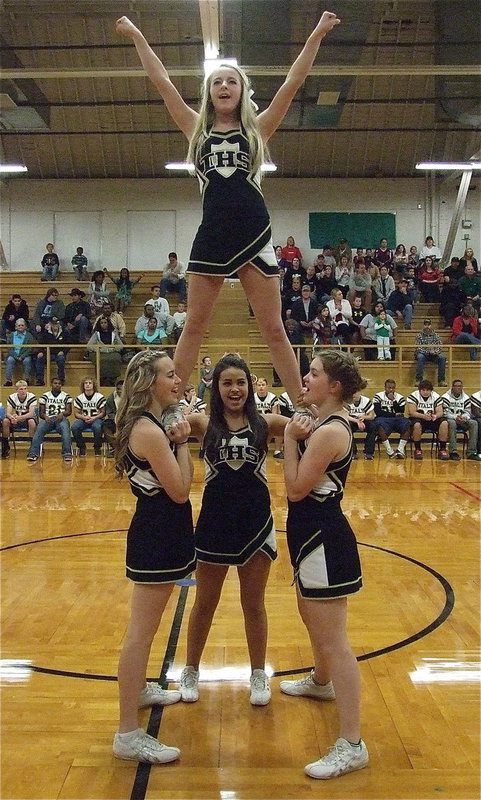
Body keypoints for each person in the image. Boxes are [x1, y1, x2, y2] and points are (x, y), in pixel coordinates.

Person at [115, 10, 341, 406]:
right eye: (217, 81)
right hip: (212, 233)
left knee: (273, 329)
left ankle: (303, 406)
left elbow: (294, 81)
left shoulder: (258, 130)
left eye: (231, 81)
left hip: (255, 232)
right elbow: (162, 81)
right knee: (195, 327)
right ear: (208, 92)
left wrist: (318, 33)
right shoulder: (194, 129)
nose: (224, 85)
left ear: (241, 91)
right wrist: (136, 34)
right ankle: (172, 407)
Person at [178, 354, 288, 706]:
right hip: (214, 521)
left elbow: (308, 426)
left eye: (240, 382)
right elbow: (164, 421)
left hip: (256, 520)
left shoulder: (265, 422)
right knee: (204, 604)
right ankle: (191, 669)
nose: (234, 389)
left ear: (251, 386)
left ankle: (258, 674)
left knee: (253, 604)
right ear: (215, 387)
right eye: (227, 382)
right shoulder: (202, 422)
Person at [280, 350, 368, 780]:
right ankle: (320, 681)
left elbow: (296, 489)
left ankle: (352, 744)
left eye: (313, 373)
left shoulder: (330, 433)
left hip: (323, 539)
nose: (305, 377)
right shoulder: (325, 423)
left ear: (334, 386)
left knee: (335, 640)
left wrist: (286, 441)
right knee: (309, 617)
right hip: (310, 536)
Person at [112, 349, 195, 763]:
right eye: (169, 375)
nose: (176, 380)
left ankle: (141, 690)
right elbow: (181, 490)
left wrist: (177, 441)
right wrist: (181, 444)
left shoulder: (149, 425)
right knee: (140, 632)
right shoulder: (148, 430)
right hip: (156, 535)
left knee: (147, 627)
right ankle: (127, 733)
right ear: (149, 382)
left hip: (163, 531)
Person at [27, 377, 73, 462]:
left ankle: (67, 453)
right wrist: (45, 417)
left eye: (59, 384)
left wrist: (63, 414)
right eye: (55, 383)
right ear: (52, 384)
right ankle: (33, 453)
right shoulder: (45, 396)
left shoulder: (66, 396)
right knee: (39, 429)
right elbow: (41, 413)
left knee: (66, 430)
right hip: (48, 419)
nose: (57, 385)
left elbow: (69, 411)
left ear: (61, 385)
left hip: (61, 419)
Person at [407, 380, 449, 460]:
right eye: (423, 390)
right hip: (419, 418)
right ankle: (418, 449)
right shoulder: (413, 396)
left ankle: (443, 449)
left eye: (428, 390)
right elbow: (411, 412)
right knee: (416, 424)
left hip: (431, 419)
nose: (425, 392)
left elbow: (440, 412)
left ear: (431, 390)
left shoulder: (436, 396)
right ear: (419, 390)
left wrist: (435, 416)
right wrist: (423, 416)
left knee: (444, 422)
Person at [441, 379, 480, 461]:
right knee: (452, 423)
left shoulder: (466, 398)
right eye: (456, 386)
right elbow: (444, 413)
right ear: (452, 387)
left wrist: (465, 417)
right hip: (450, 419)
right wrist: (455, 417)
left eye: (460, 386)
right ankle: (453, 452)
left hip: (462, 420)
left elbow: (468, 411)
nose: (459, 388)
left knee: (474, 423)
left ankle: (471, 452)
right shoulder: (445, 397)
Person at [373, 379, 411, 459]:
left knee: (408, 423)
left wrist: (393, 400)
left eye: (393, 388)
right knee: (378, 424)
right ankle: (389, 450)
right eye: (389, 387)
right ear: (385, 387)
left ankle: (400, 449)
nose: (391, 390)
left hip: (397, 420)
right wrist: (394, 414)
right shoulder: (378, 396)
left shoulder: (400, 397)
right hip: (383, 419)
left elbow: (401, 412)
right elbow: (378, 412)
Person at [1, 380, 37, 459]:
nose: (23, 391)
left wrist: (19, 418)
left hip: (27, 418)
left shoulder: (31, 397)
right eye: (21, 389)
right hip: (16, 418)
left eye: (25, 388)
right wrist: (12, 417)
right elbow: (8, 413)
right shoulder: (12, 397)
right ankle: (5, 446)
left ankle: (33, 448)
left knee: (31, 422)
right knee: (5, 421)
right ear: (16, 390)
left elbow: (31, 414)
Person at [71, 377, 106, 456]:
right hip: (84, 419)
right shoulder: (79, 398)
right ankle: (82, 447)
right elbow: (76, 413)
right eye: (86, 383)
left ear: (94, 385)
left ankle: (97, 447)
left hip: (97, 418)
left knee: (97, 427)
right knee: (74, 427)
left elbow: (103, 413)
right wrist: (84, 417)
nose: (88, 385)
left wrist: (94, 418)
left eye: (90, 383)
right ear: (83, 386)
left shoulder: (99, 397)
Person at [86, 316, 124, 385]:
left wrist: (113, 349)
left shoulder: (114, 333)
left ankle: (112, 379)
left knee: (116, 358)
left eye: (105, 322)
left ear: (108, 323)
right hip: (99, 352)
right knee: (102, 360)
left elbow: (120, 345)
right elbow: (89, 346)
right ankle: (102, 379)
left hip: (112, 352)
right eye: (101, 323)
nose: (103, 324)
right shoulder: (96, 334)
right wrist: (99, 349)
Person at [34, 318, 72, 386]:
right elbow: (41, 343)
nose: (55, 325)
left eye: (56, 324)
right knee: (39, 358)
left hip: (59, 353)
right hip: (48, 353)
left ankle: (61, 379)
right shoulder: (45, 333)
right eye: (53, 324)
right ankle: (39, 380)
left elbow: (69, 344)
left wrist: (63, 351)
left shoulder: (64, 332)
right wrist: (41, 351)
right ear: (50, 324)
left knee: (61, 358)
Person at [414, 318, 447, 386]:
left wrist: (435, 351)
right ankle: (419, 380)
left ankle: (441, 380)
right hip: (423, 354)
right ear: (423, 325)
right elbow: (418, 347)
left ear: (431, 325)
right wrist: (428, 351)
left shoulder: (436, 335)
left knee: (442, 358)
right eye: (425, 325)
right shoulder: (419, 335)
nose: (427, 326)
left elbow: (440, 347)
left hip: (434, 354)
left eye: (428, 325)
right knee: (420, 357)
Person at [4, 319, 36, 386]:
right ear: (16, 327)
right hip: (13, 355)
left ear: (25, 327)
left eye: (22, 325)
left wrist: (22, 356)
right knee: (10, 360)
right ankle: (8, 380)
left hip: (25, 355)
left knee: (27, 361)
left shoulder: (29, 335)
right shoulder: (11, 335)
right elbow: (9, 347)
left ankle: (26, 380)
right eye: (19, 325)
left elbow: (30, 348)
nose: (20, 327)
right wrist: (15, 356)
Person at [345, 389, 376, 460]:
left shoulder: (366, 401)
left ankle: (369, 452)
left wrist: (364, 417)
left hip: (363, 419)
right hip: (352, 419)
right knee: (347, 427)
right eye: (352, 392)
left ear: (360, 392)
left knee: (373, 427)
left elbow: (372, 416)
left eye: (355, 392)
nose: (353, 395)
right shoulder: (347, 401)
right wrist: (356, 421)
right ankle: (353, 452)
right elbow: (345, 415)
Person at [102, 378, 124, 457]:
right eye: (118, 389)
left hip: (127, 420)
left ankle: (127, 450)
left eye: (122, 389)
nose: (120, 391)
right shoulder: (111, 397)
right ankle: (116, 449)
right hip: (115, 420)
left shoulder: (132, 397)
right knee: (105, 425)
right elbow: (109, 412)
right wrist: (116, 419)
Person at [470, 390, 481, 456]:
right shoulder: (476, 396)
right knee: (479, 422)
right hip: (477, 417)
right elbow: (476, 413)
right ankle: (479, 450)